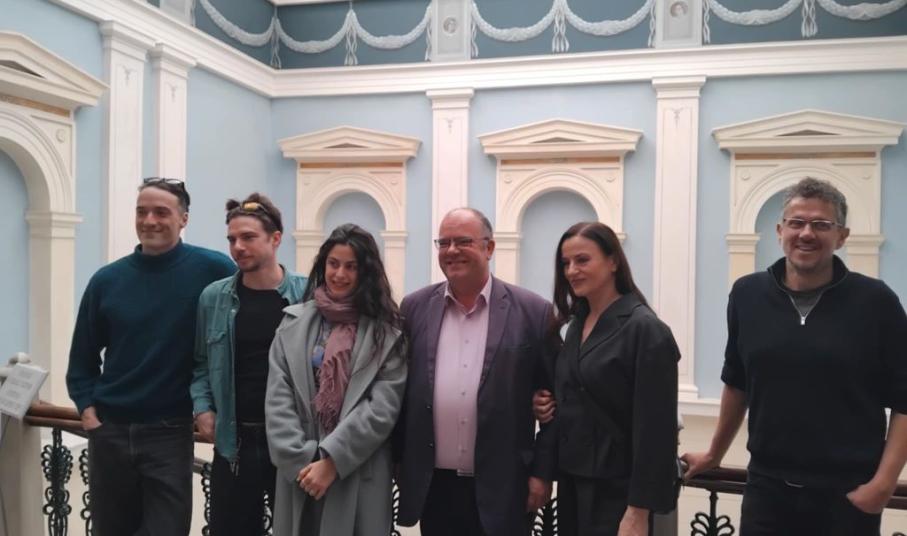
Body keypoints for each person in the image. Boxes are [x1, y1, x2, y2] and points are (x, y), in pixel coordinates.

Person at [682, 177, 907, 536]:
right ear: (779, 231)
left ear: (842, 236)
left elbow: (904, 399)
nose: (806, 233)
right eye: (796, 222)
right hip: (766, 492)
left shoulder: (876, 302)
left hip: (847, 496)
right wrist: (714, 454)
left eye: (821, 224)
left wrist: (884, 483)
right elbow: (737, 381)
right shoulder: (747, 294)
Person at [66, 178, 236, 536]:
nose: (149, 220)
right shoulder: (107, 281)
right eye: (141, 212)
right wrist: (88, 411)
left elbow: (262, 295)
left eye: (161, 212)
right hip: (110, 430)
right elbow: (82, 357)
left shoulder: (213, 271)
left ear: (184, 219)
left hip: (169, 431)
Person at [394, 207, 558, 536]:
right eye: (444, 243)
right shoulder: (414, 308)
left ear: (489, 247)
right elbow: (399, 390)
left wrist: (542, 473)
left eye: (463, 241)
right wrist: (398, 461)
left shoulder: (533, 311)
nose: (451, 250)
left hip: (505, 485)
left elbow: (557, 399)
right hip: (435, 487)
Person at [533, 221, 680, 536]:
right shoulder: (577, 324)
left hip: (620, 493)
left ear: (613, 261)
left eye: (582, 260)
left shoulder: (645, 329)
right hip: (573, 483)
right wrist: (546, 403)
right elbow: (581, 389)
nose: (572, 271)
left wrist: (638, 512)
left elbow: (656, 431)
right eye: (566, 263)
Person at [265, 223, 407, 536]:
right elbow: (278, 399)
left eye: (351, 267)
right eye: (333, 264)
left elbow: (381, 409)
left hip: (357, 470)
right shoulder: (291, 324)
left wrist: (332, 462)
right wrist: (303, 462)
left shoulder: (387, 333)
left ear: (366, 272)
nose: (339, 274)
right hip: (300, 473)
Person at [190, 193, 307, 534]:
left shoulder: (307, 294)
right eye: (232, 239)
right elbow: (200, 363)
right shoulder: (214, 298)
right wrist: (202, 408)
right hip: (234, 442)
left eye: (248, 237)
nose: (238, 247)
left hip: (292, 440)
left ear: (275, 238)